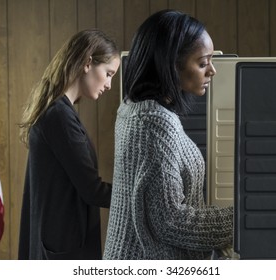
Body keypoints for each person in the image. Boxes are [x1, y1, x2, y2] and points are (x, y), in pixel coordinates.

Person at [103, 10, 233, 260]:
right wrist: (241, 220)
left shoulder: (135, 107)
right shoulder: (153, 122)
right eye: (203, 62)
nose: (212, 71)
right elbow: (170, 220)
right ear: (172, 64)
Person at [18, 29, 120, 260]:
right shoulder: (59, 116)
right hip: (62, 250)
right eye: (108, 73)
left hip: (60, 243)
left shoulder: (60, 112)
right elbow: (92, 191)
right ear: (87, 63)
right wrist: (142, 198)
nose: (109, 84)